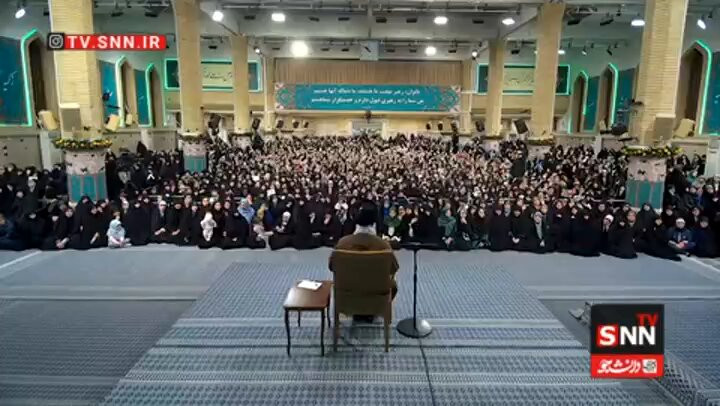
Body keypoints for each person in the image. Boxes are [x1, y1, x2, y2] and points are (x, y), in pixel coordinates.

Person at [328, 201, 399, 323]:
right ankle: (372, 310)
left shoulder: (342, 243)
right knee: (393, 283)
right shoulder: (383, 246)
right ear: (374, 223)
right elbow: (393, 268)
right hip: (376, 294)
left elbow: (332, 266)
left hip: (348, 295)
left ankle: (355, 309)